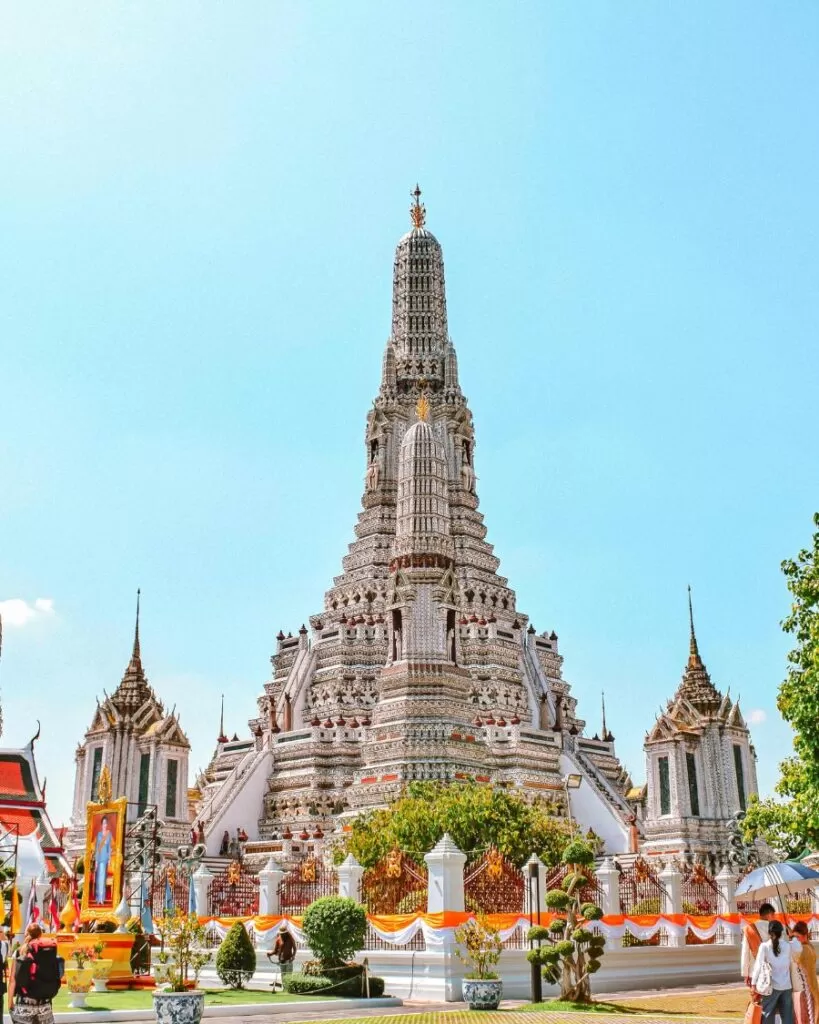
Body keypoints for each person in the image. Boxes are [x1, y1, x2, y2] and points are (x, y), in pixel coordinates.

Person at [8, 924, 62, 1024]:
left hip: (25, 1002)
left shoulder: (20, 951)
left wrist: (10, 1002)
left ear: (26, 934)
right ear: (40, 935)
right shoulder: (48, 951)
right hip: (44, 1002)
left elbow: (12, 980)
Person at [752, 919, 801, 1024]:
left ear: (769, 933)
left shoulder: (764, 946)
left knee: (768, 1015)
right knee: (787, 1017)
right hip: (786, 986)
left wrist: (753, 983)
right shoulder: (788, 945)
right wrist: (792, 935)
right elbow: (799, 948)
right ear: (781, 932)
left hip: (770, 987)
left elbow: (758, 966)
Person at [743, 902, 777, 986]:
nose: (774, 918)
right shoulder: (776, 928)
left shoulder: (749, 929)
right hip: (774, 970)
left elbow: (745, 953)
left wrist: (745, 974)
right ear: (769, 914)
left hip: (754, 970)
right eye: (773, 915)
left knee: (757, 996)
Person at [791, 922, 818, 1024]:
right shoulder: (808, 946)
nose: (795, 940)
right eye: (794, 937)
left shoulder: (805, 949)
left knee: (806, 1019)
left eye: (797, 937)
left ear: (805, 936)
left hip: (806, 989)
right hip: (809, 987)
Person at [267, 924, 296, 989]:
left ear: (286, 933)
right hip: (281, 960)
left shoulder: (290, 939)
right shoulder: (278, 939)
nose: (283, 935)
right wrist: (270, 954)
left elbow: (295, 948)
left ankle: (288, 988)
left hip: (289, 960)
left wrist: (293, 956)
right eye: (282, 933)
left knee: (288, 975)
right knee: (283, 975)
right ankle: (284, 989)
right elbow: (275, 951)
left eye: (284, 933)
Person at [92, 815, 112, 905]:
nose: (105, 825)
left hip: (105, 859)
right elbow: (97, 848)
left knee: (103, 879)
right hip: (99, 859)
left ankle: (102, 898)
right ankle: (98, 898)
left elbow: (109, 847)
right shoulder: (99, 835)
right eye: (103, 823)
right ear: (101, 824)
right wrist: (96, 861)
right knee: (98, 879)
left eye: (106, 823)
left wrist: (109, 858)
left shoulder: (108, 834)